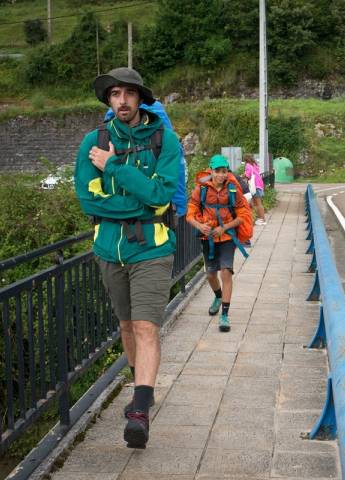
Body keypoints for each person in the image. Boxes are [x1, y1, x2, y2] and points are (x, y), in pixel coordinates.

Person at [74, 67, 179, 450]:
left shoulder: (163, 141)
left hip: (152, 247)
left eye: (129, 93)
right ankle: (142, 387)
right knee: (126, 327)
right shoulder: (92, 141)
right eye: (115, 93)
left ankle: (139, 410)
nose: (122, 100)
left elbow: (159, 197)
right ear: (108, 100)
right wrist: (134, 203)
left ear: (140, 98)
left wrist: (115, 167)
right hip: (107, 248)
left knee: (146, 327)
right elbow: (88, 200)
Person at [186, 154, 252, 332]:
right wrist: (200, 226)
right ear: (211, 170)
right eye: (218, 171)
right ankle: (217, 296)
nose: (221, 175)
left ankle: (225, 315)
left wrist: (225, 228)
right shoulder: (201, 189)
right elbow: (190, 214)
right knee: (210, 274)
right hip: (208, 238)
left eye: (224, 171)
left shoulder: (232, 189)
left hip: (227, 237)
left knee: (226, 272)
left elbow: (243, 215)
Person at [243, 153, 267, 225]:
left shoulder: (248, 165)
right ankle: (260, 218)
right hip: (259, 185)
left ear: (246, 159)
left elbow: (248, 175)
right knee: (255, 203)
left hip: (255, 186)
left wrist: (242, 176)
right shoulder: (255, 165)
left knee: (258, 203)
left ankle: (262, 220)